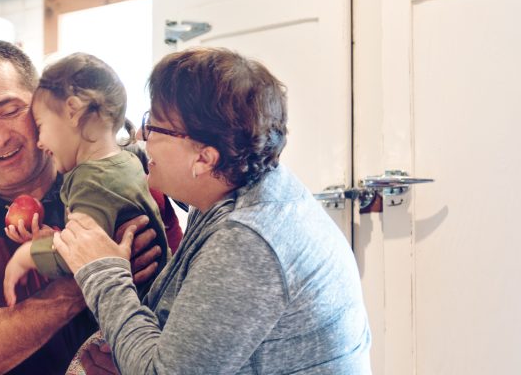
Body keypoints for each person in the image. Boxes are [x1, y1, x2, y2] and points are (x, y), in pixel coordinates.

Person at [51, 47, 372, 373]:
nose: (140, 135)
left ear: (204, 159)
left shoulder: (248, 242)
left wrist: (104, 272)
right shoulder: (236, 189)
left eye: (155, 126)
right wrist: (129, 356)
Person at [0, 41, 186, 374]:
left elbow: (186, 304)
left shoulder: (126, 184)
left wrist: (133, 362)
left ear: (43, 104)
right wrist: (86, 278)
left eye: (10, 110)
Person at [2, 52, 169, 307]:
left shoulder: (91, 181)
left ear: (72, 111)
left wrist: (25, 257)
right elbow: (104, 229)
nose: (39, 141)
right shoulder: (126, 162)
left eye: (41, 125)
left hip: (144, 313)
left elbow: (82, 254)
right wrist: (57, 237)